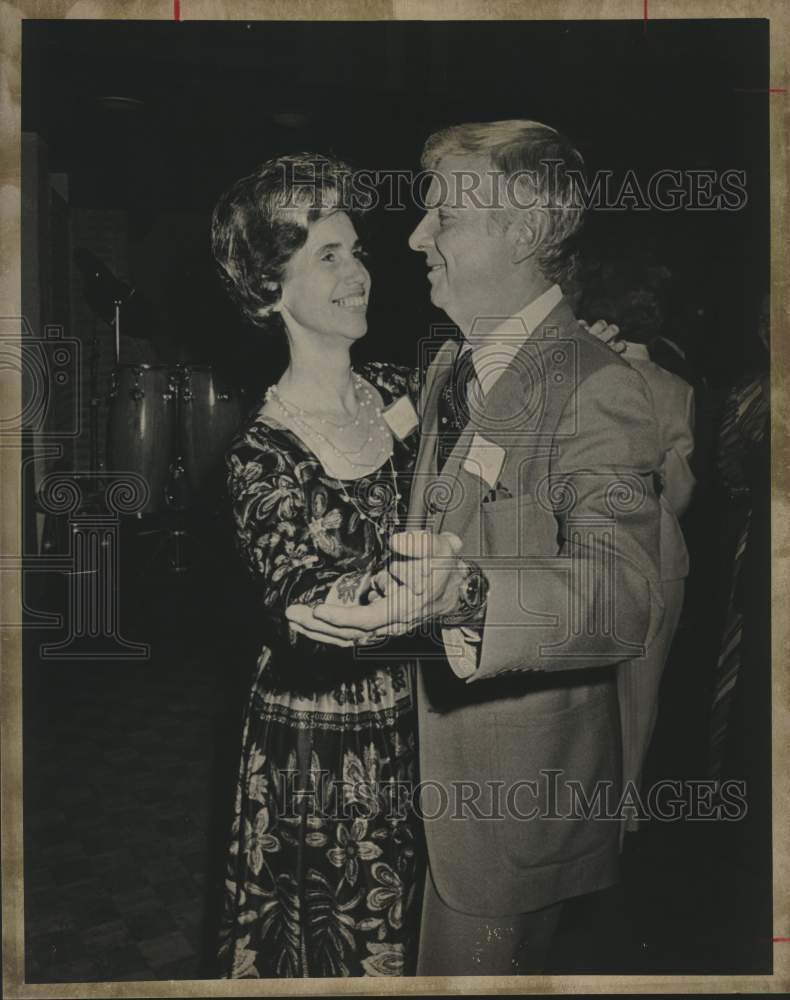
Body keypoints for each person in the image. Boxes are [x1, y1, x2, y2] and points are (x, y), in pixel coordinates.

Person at [291, 120, 664, 975]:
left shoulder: (594, 383)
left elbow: (623, 591)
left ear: (526, 232)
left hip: (508, 805)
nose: (417, 237)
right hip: (421, 777)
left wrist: (468, 596)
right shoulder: (450, 366)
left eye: (444, 218)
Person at [210, 154, 423, 978]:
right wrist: (430, 590)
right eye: (327, 256)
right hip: (318, 739)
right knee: (328, 939)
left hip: (419, 719)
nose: (358, 272)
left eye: (357, 249)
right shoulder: (262, 455)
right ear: (270, 290)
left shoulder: (403, 392)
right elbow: (304, 596)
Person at [580, 260, 695, 832]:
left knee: (586, 694)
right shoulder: (679, 390)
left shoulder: (592, 376)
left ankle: (581, 820)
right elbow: (680, 490)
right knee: (641, 696)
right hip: (663, 553)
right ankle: (624, 817)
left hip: (593, 550)